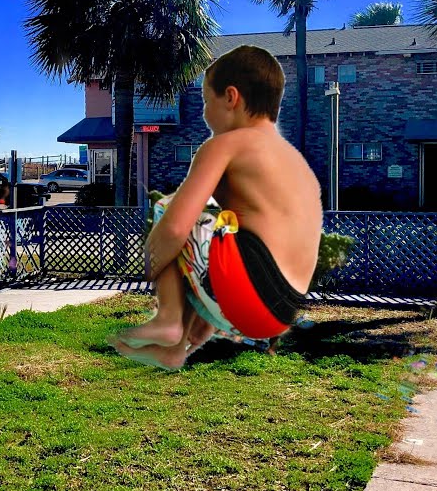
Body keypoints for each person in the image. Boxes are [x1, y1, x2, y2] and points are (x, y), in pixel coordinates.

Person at [110, 45, 323, 370]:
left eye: (206, 101)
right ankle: (178, 347)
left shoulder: (225, 145)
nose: (205, 113)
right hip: (282, 313)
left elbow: (176, 228)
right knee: (219, 225)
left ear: (231, 98)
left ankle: (167, 320)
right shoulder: (299, 167)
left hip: (248, 299)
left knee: (170, 208)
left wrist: (151, 267)